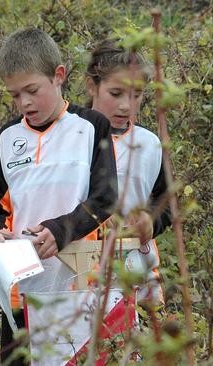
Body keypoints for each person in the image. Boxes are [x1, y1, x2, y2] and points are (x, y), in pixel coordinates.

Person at [0, 28, 118, 365]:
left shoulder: (91, 126)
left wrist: (60, 230)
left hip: (80, 287)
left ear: (58, 76)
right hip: (21, 294)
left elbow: (105, 197)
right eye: (14, 95)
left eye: (32, 90)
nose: (24, 103)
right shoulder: (7, 138)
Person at [85, 39, 171, 306]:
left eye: (136, 95)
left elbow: (166, 202)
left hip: (138, 274)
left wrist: (150, 221)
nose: (126, 106)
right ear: (92, 85)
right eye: (116, 94)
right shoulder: (72, 138)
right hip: (81, 276)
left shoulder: (149, 144)